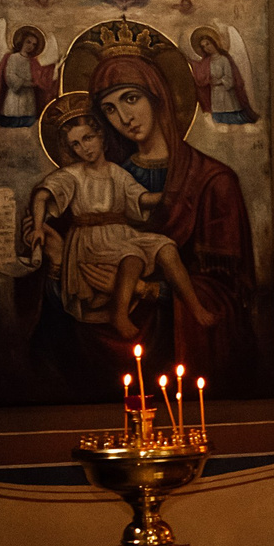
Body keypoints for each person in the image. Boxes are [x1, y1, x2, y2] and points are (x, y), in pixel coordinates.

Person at [87, 35, 252, 383]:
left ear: (157, 95)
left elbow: (228, 294)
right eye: (110, 109)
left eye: (131, 98)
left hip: (173, 335)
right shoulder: (107, 181)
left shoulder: (213, 182)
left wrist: (144, 290)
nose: (124, 118)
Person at [21, 97, 217, 341]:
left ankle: (195, 307)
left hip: (121, 235)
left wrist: (170, 194)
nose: (84, 148)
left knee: (166, 247)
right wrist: (38, 227)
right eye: (76, 145)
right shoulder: (72, 175)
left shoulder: (117, 173)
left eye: (88, 138)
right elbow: (42, 195)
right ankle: (120, 314)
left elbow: (141, 198)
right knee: (132, 256)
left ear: (101, 137)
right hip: (91, 240)